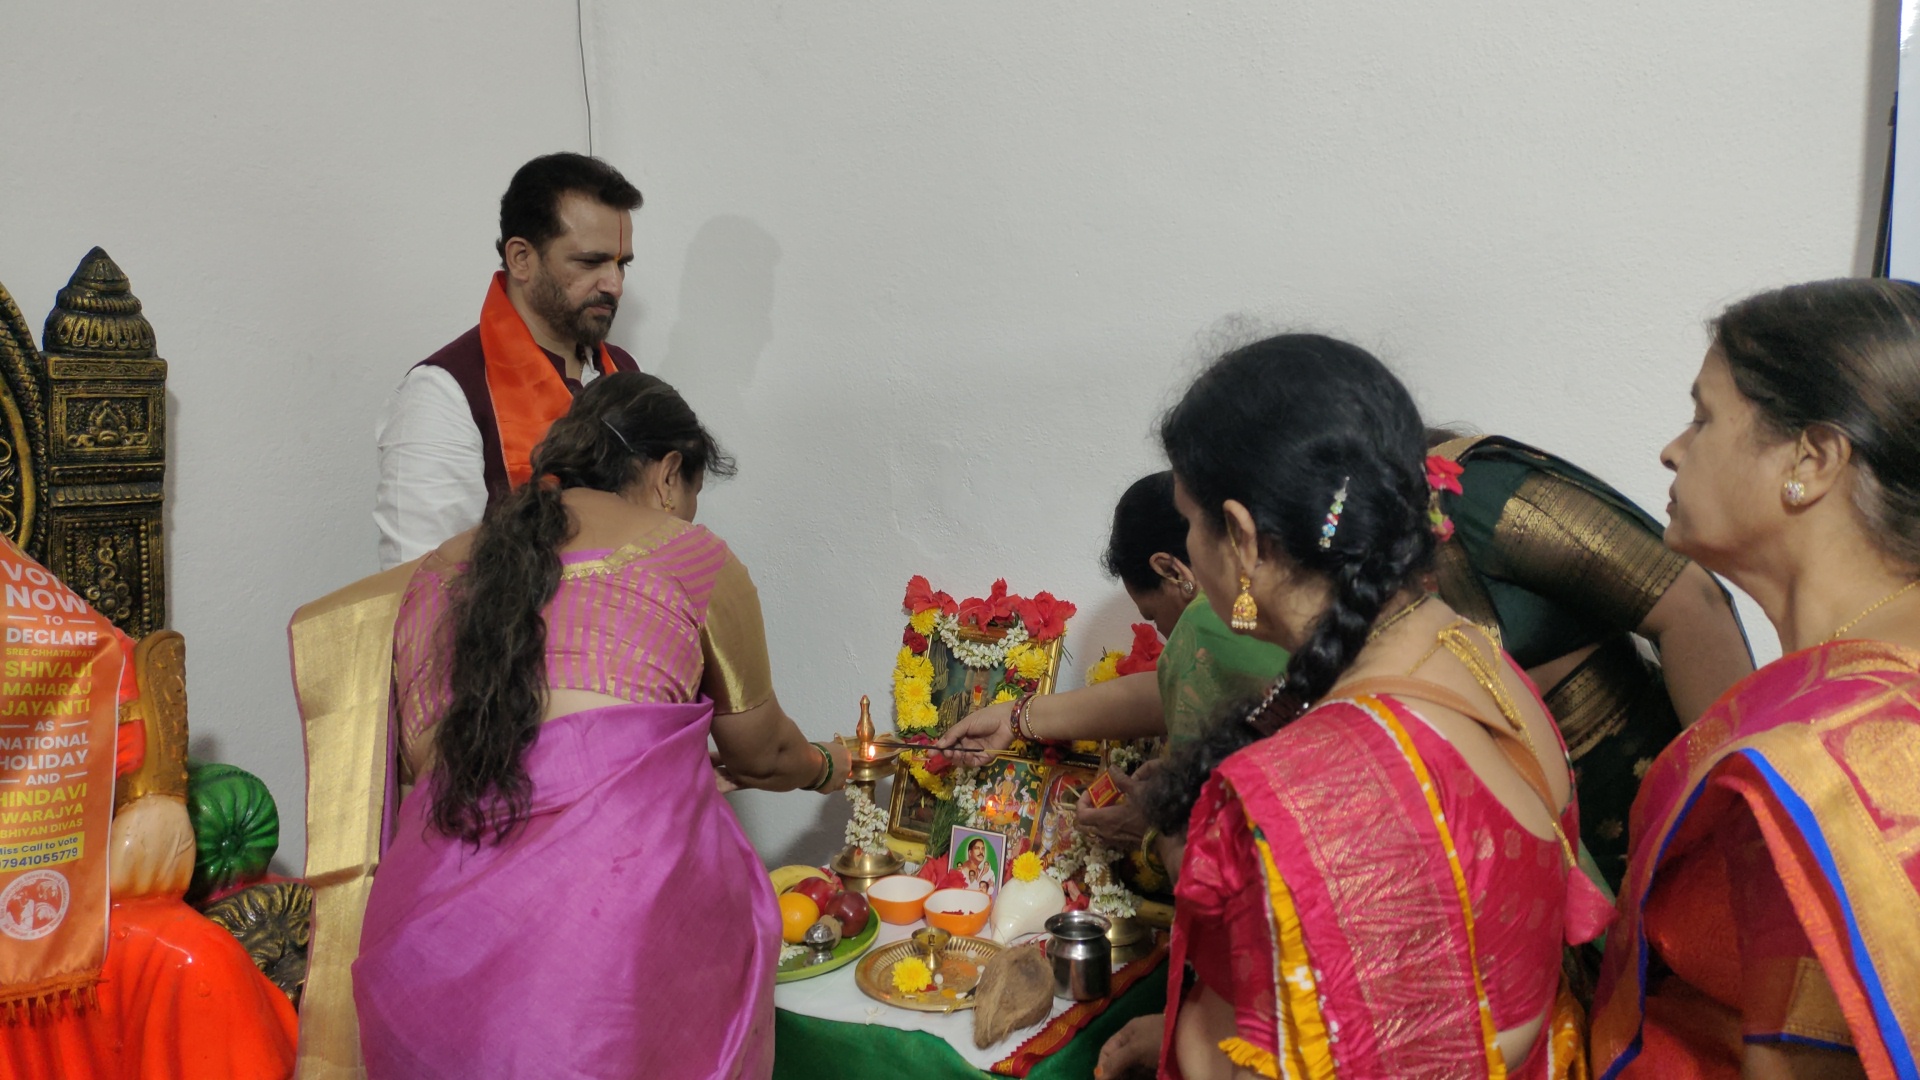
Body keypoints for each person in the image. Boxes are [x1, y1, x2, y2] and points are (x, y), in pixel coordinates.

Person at [1131, 334, 1610, 1078]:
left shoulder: (1309, 794)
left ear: (1244, 539)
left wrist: (1190, 1025)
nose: (1189, 548)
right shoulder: (1466, 649)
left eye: (1189, 521)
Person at [352, 372, 852, 1079]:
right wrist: (831, 765)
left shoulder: (439, 570)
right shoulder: (686, 554)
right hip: (599, 949)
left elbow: (423, 762)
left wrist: (651, 765)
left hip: (424, 952)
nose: (686, 517)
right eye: (691, 497)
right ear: (669, 474)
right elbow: (764, 753)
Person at [1592, 279, 1920, 1079]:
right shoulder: (1864, 675)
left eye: (1704, 417)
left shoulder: (1818, 760)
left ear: (1812, 461)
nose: (1674, 449)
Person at [1426, 432, 1754, 889]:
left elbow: (1692, 605)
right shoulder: (1337, 583)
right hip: (1524, 878)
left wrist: (1738, 837)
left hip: (1668, 840)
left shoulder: (1472, 495)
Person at [937, 472, 1289, 852]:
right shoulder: (1277, 594)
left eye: (1153, 616)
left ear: (1171, 570)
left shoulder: (1204, 623)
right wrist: (1015, 717)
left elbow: (1210, 852)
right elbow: (1162, 693)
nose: (1163, 634)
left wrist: (1152, 831)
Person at [374, 152, 645, 569]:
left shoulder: (623, 371)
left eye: (621, 264)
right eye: (591, 262)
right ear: (521, 258)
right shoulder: (443, 393)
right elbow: (420, 584)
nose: (614, 285)